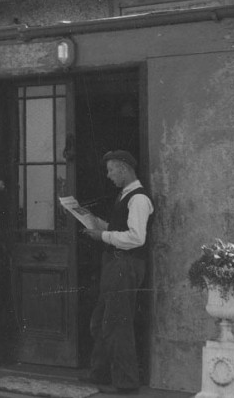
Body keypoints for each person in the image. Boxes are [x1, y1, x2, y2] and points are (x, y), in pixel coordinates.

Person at [80, 150, 155, 395]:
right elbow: (120, 228)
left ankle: (126, 382)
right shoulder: (125, 196)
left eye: (111, 170)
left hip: (125, 265)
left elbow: (136, 238)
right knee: (102, 320)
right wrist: (94, 222)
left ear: (123, 168)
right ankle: (99, 373)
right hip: (115, 264)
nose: (109, 175)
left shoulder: (139, 199)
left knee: (117, 323)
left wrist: (102, 235)